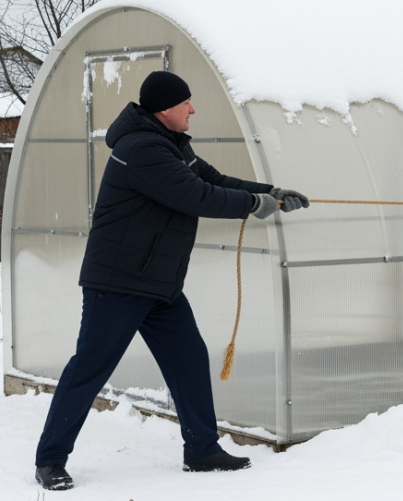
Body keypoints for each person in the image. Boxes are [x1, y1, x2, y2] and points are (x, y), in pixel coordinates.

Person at [34, 71, 310, 491]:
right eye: (186, 103)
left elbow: (214, 181)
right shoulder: (142, 149)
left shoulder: (170, 145)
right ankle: (50, 459)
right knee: (89, 369)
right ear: (165, 109)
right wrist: (256, 204)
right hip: (119, 283)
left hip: (158, 282)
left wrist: (271, 190)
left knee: (189, 360)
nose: (193, 109)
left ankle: (202, 450)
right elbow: (196, 196)